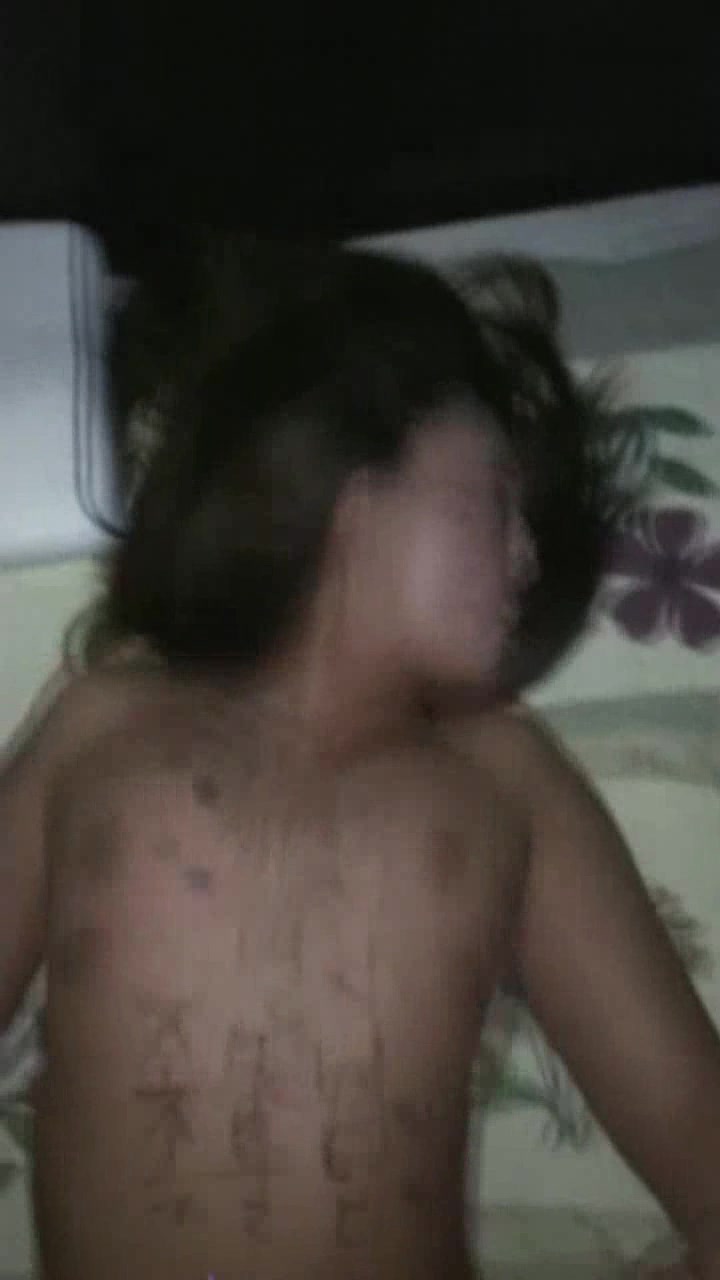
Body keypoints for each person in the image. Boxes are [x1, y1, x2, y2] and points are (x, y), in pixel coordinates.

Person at [1, 242, 718, 1280]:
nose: (527, 556)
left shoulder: (504, 778)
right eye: (500, 497)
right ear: (349, 466)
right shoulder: (102, 725)